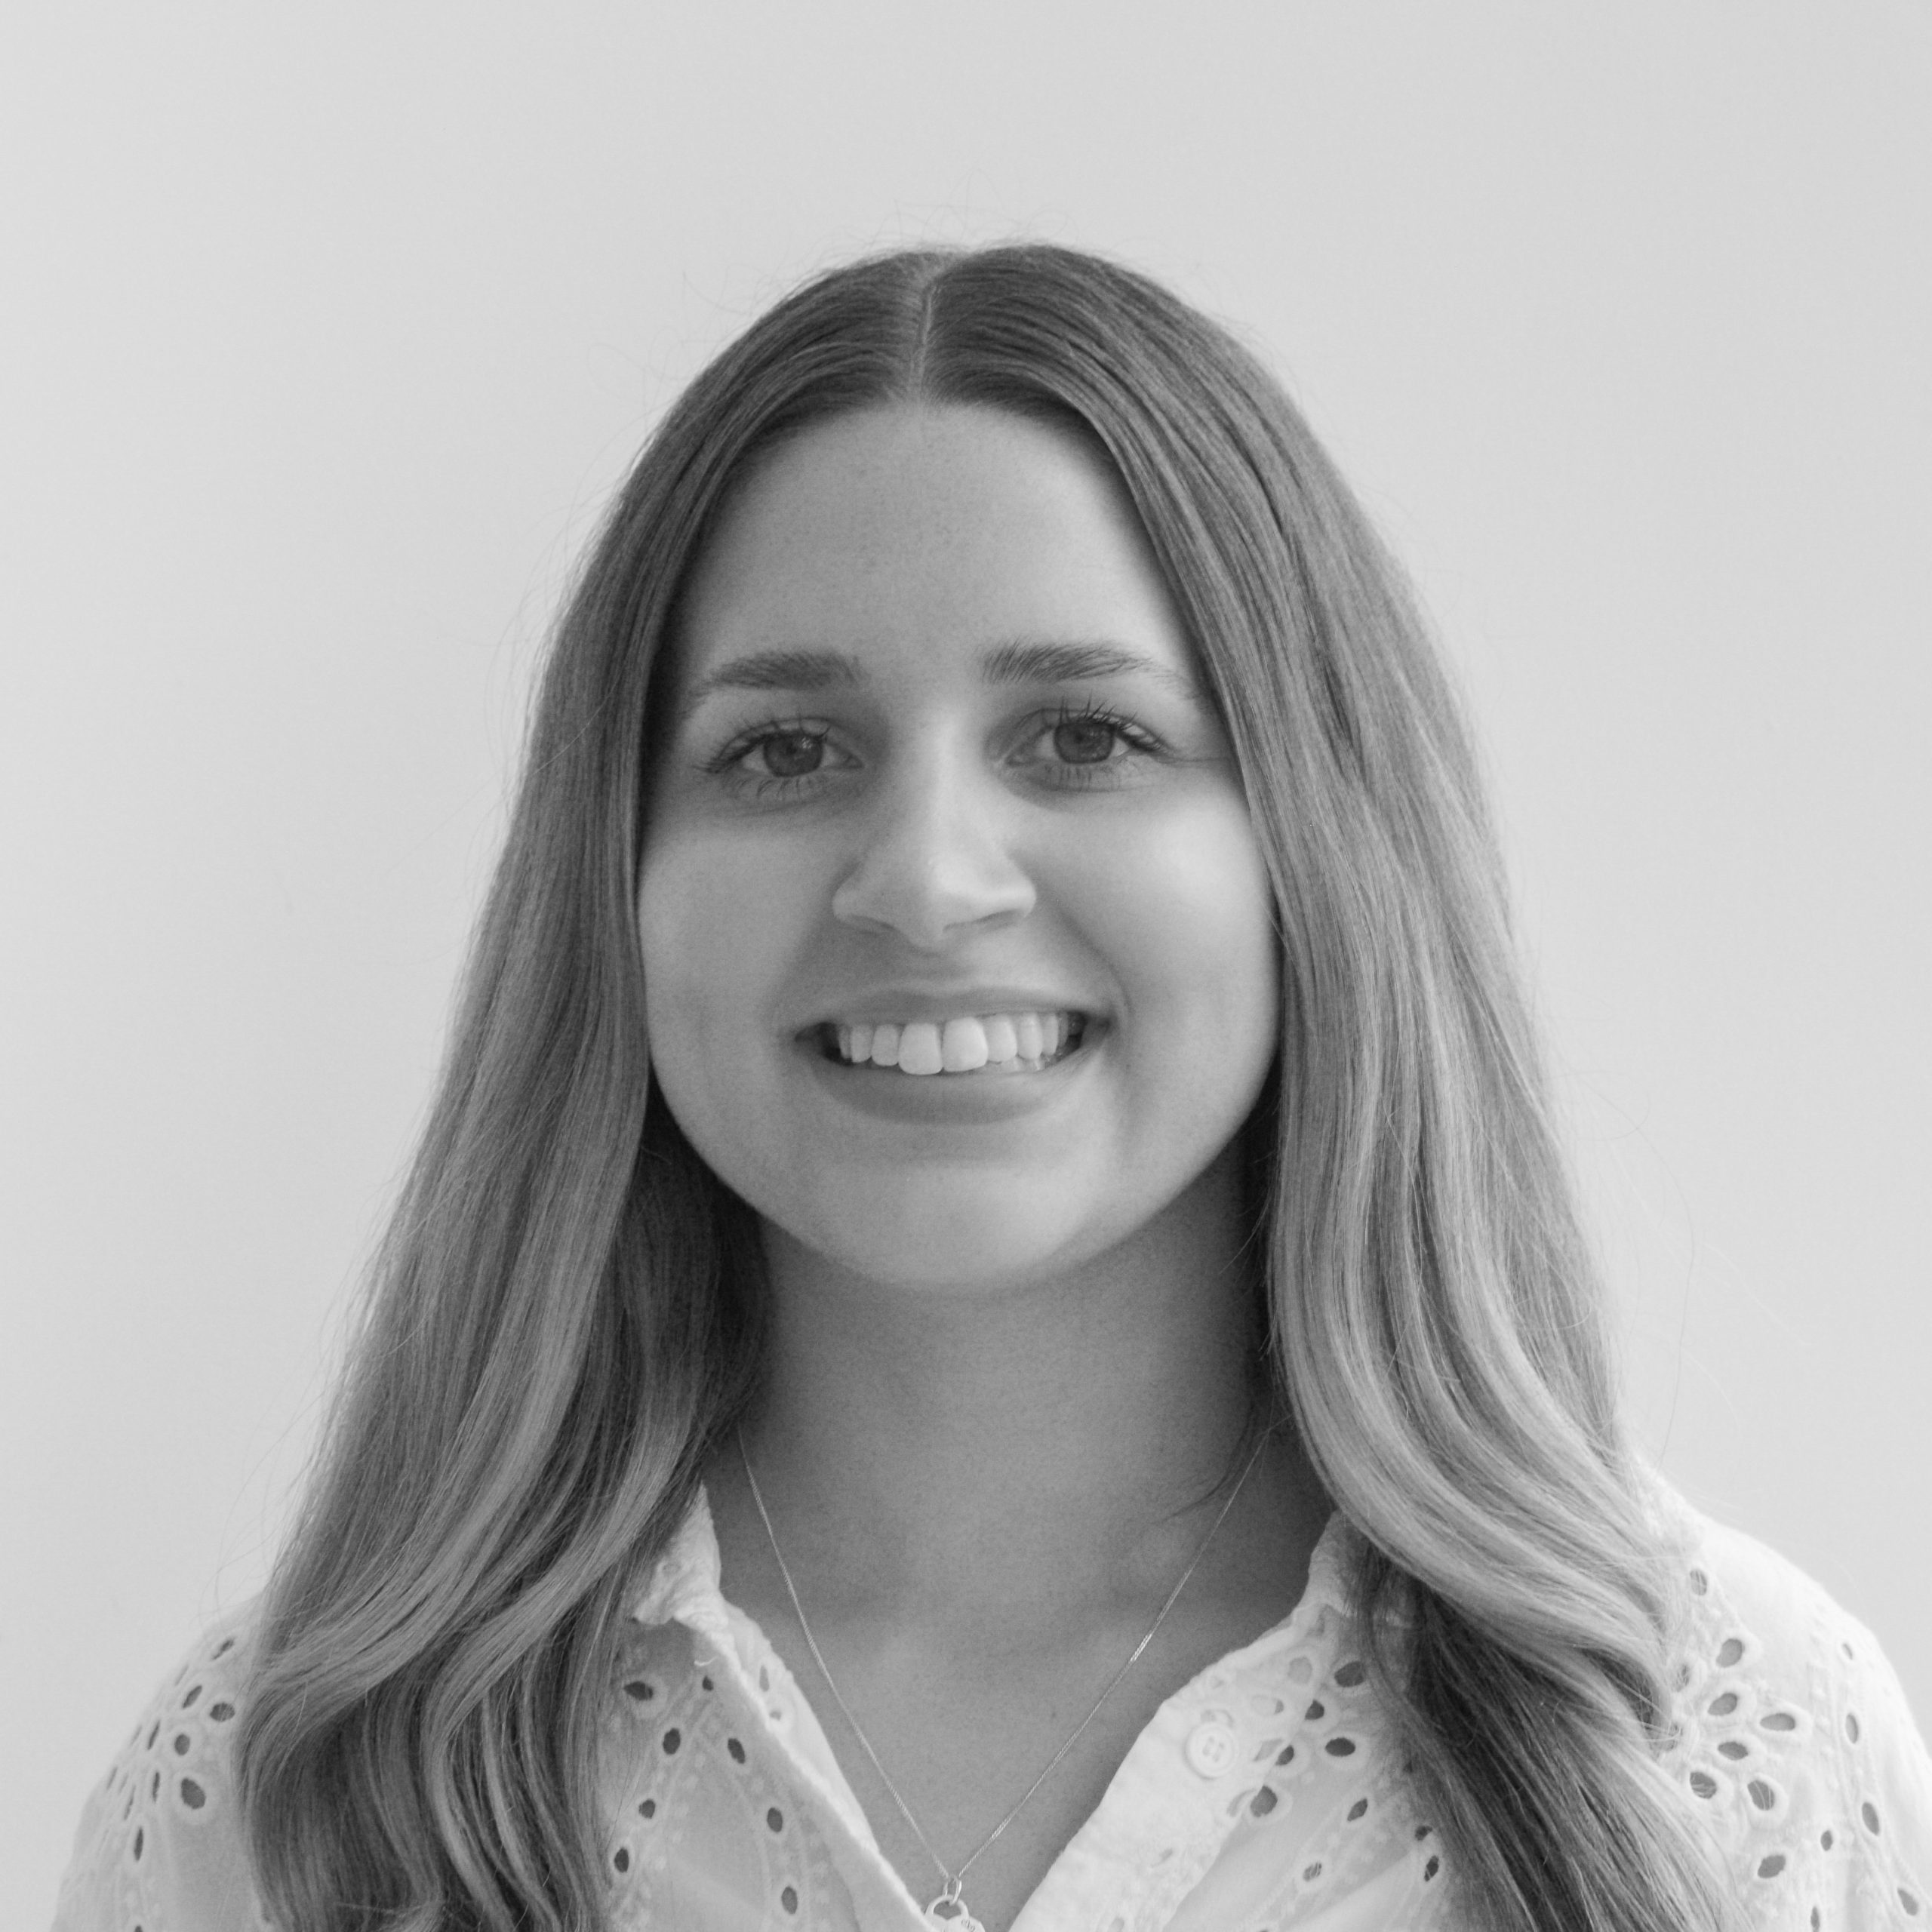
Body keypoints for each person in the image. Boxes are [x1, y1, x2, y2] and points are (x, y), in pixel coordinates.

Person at [54, 243, 1931, 1932]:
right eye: (783, 748)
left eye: (1086, 735)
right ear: (613, 882)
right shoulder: (284, 1798)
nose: (930, 877)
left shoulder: (1716, 1743)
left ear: (1315, 853)